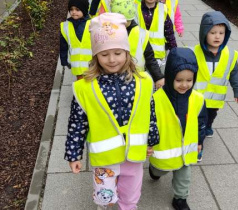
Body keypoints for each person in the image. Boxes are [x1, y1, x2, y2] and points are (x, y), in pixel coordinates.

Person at [64, 13, 159, 210]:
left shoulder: (144, 82)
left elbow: (149, 113)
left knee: (130, 198)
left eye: (118, 52)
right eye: (104, 54)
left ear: (127, 52)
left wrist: (151, 141)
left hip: (133, 156)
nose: (112, 59)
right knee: (104, 198)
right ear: (96, 56)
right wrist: (74, 154)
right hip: (104, 159)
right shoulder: (85, 88)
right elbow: (77, 122)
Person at [149, 47, 207, 210]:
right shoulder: (156, 99)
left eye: (189, 80)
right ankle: (154, 171)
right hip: (164, 148)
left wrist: (199, 140)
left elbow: (201, 122)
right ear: (169, 77)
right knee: (161, 170)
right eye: (179, 80)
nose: (184, 84)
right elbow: (150, 122)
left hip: (186, 150)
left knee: (184, 176)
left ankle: (180, 198)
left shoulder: (197, 99)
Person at [193, 11, 238, 138]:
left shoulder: (230, 54)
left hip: (215, 98)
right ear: (204, 33)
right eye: (213, 33)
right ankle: (199, 131)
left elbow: (234, 73)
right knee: (199, 115)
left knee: (211, 115)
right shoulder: (196, 52)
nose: (217, 37)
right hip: (199, 96)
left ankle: (208, 126)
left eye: (221, 33)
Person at [110, 0, 165, 89]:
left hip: (137, 79)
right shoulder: (109, 33)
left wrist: (158, 77)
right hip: (114, 80)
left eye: (125, 22)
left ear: (131, 18)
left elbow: (150, 58)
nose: (121, 25)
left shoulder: (141, 34)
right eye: (118, 22)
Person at [135, 0, 177, 73]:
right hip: (140, 55)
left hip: (157, 57)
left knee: (157, 80)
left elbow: (169, 32)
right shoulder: (136, 9)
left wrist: (174, 50)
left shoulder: (162, 9)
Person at [60, 0, 92, 80]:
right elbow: (63, 45)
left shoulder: (92, 24)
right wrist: (64, 60)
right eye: (71, 9)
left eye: (77, 10)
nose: (74, 12)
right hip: (77, 64)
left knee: (92, 83)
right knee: (80, 83)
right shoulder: (66, 26)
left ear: (84, 10)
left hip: (92, 63)